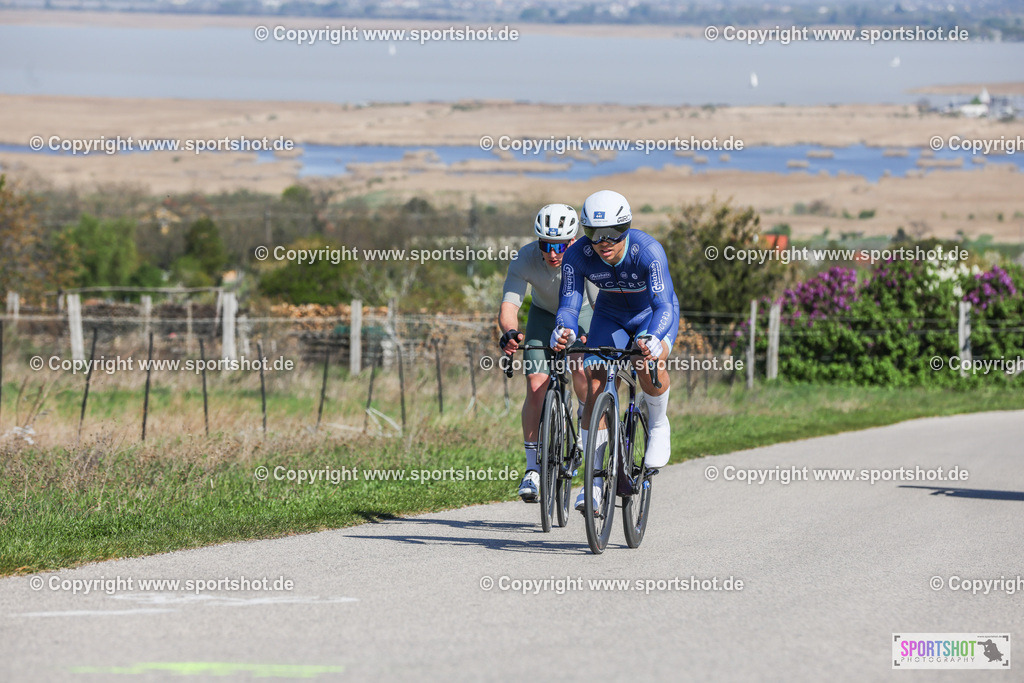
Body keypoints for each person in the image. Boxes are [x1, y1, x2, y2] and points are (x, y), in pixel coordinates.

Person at [550, 190, 679, 514]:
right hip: (610, 315)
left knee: (646, 361)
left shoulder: (647, 250)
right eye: (593, 233)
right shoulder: (577, 256)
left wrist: (653, 338)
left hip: (653, 314)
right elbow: (569, 305)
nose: (603, 242)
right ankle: (591, 485)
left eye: (611, 234)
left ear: (626, 228)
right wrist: (562, 328)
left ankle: (659, 424)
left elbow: (664, 304)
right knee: (595, 381)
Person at [498, 204, 597, 502]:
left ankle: (583, 415)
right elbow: (509, 307)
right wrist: (510, 333)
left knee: (580, 367)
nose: (553, 253)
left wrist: (593, 333)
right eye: (546, 245)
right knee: (536, 385)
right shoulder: (526, 258)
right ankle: (532, 470)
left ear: (573, 242)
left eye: (561, 246)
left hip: (583, 313)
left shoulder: (587, 257)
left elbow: (600, 299)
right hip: (543, 315)